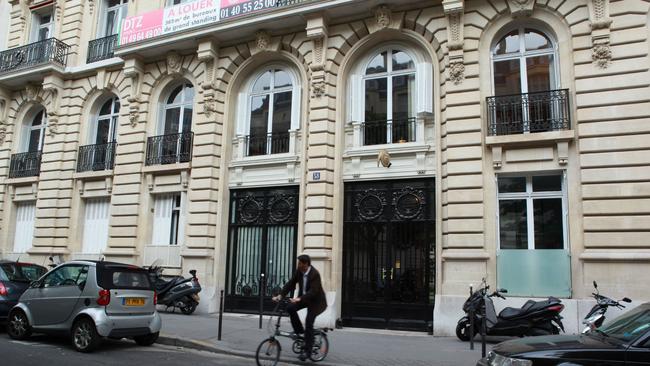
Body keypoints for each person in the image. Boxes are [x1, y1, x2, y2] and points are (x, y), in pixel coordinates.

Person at [272, 254, 327, 361]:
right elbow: (291, 283)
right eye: (298, 263)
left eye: (300, 263)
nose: (298, 265)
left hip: (316, 302)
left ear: (306, 264)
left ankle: (307, 352)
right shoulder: (299, 271)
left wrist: (299, 298)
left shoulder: (315, 274)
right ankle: (300, 332)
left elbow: (314, 292)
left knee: (308, 322)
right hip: (304, 299)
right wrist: (280, 295)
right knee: (290, 308)